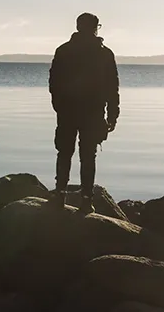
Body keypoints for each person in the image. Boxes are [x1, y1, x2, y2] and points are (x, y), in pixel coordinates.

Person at [48, 12, 120, 213]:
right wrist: (113, 114)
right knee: (88, 156)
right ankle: (86, 200)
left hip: (69, 111)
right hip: (92, 112)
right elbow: (112, 87)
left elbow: (53, 82)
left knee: (65, 153)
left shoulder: (63, 51)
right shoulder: (104, 54)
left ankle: (60, 196)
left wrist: (58, 105)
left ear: (78, 27)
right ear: (95, 27)